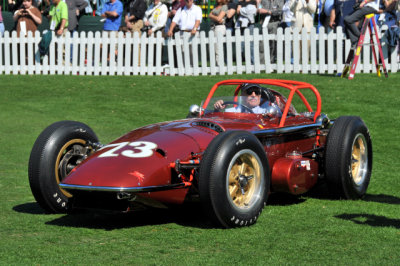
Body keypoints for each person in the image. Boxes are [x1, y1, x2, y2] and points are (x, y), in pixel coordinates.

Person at [213, 84, 280, 114]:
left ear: (260, 96)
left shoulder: (265, 112)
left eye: (256, 92)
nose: (253, 95)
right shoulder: (232, 111)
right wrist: (217, 109)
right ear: (242, 95)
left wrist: (277, 108)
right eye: (249, 92)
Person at [209, 0, 228, 65]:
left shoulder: (224, 6)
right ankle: (214, 66)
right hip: (213, 27)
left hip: (220, 28)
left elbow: (219, 19)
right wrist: (216, 18)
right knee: (212, 48)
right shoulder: (215, 6)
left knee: (218, 48)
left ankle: (220, 66)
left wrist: (212, 16)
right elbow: (210, 15)